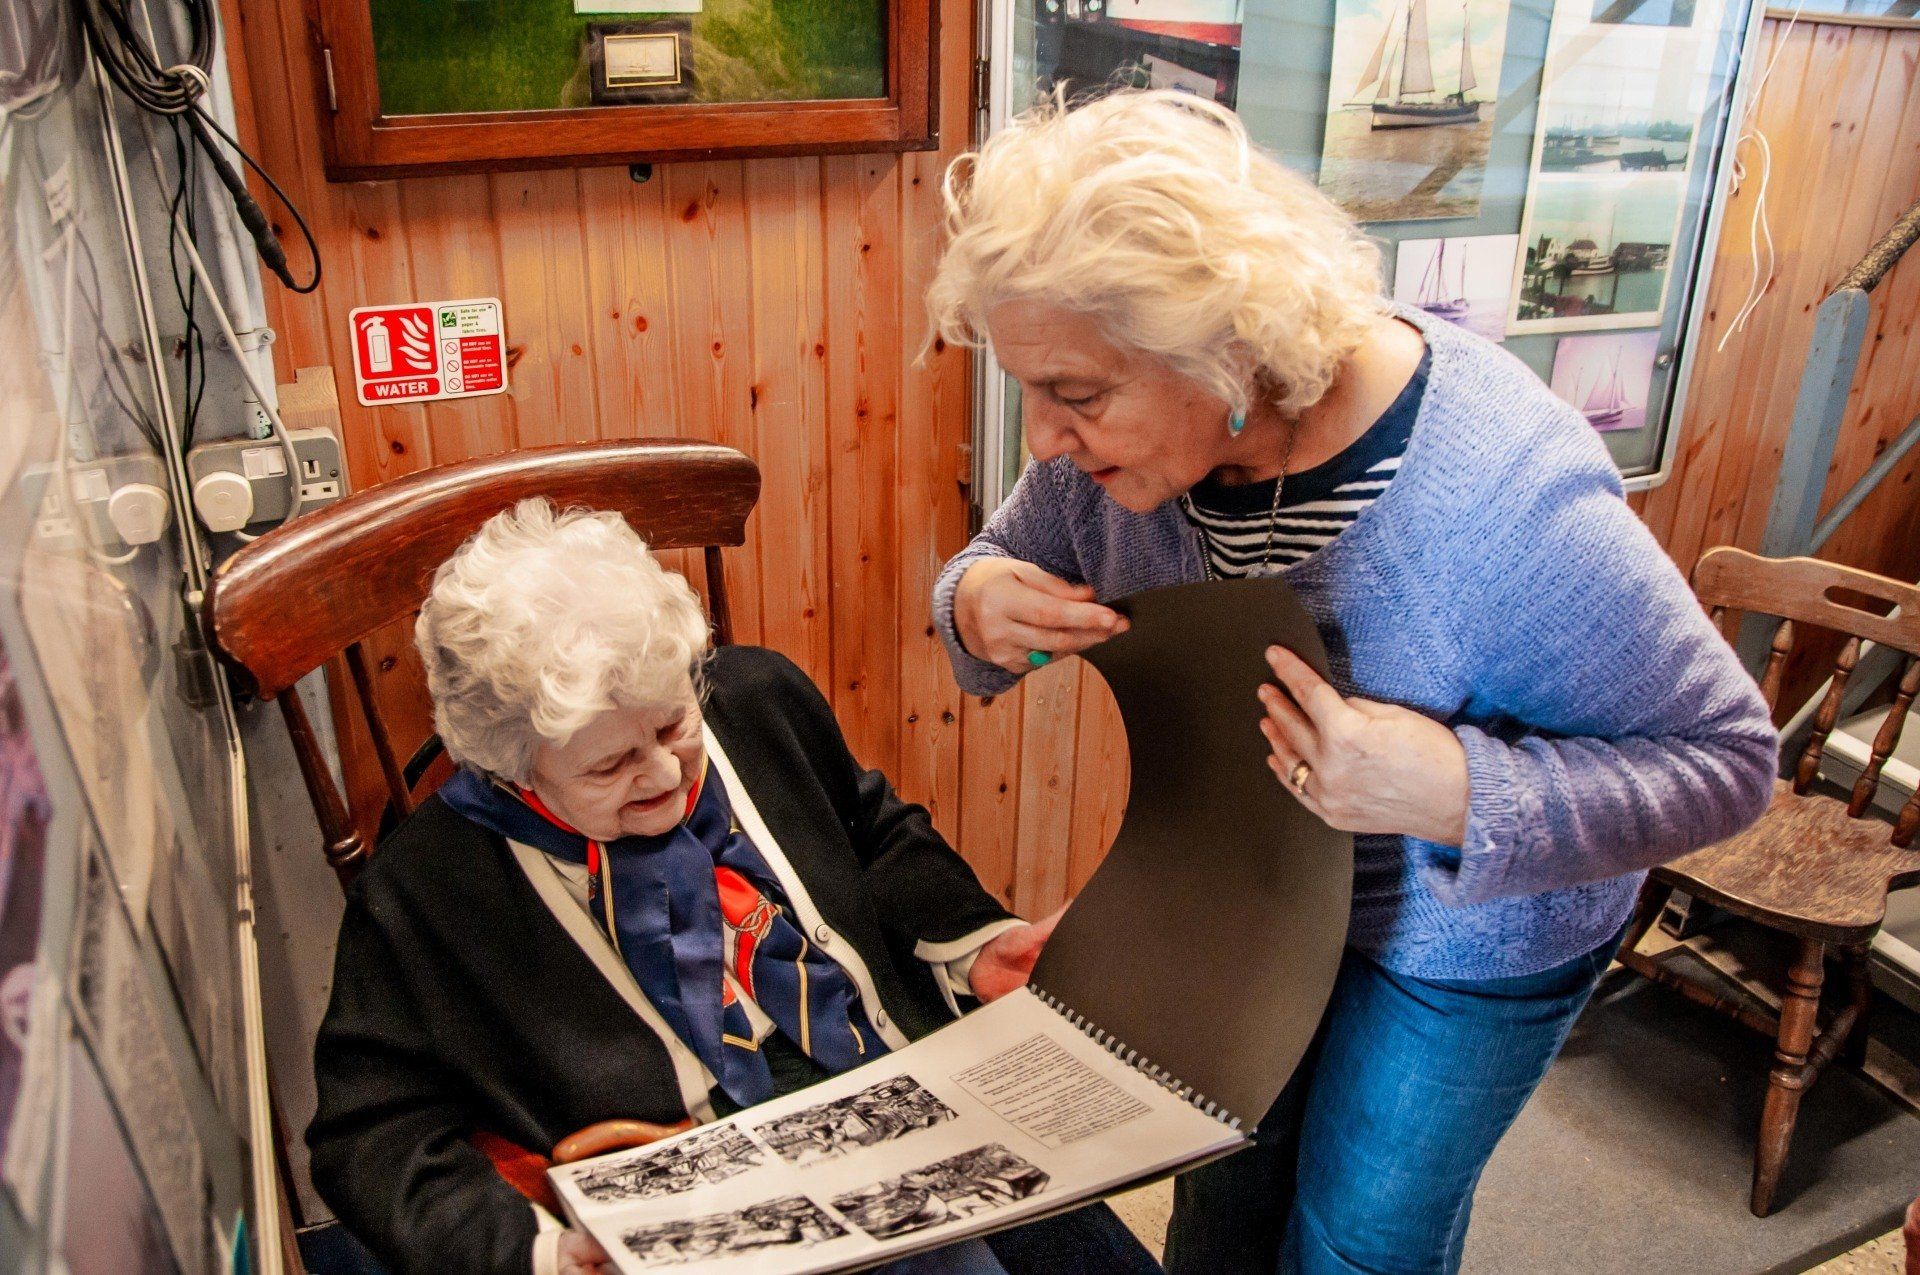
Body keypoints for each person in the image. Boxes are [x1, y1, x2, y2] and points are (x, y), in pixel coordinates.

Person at [925, 89, 1778, 1274]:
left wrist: (1460, 790)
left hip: (1459, 940)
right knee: (1221, 1210)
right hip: (1254, 904)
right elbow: (986, 571)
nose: (1042, 441)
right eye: (1030, 389)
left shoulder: (1502, 495)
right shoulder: (1104, 457)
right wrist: (975, 601)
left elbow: (1732, 765)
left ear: (1224, 350)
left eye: (1074, 396)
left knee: (1358, 1243)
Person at [306, 499, 1160, 1275]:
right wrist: (537, 1252)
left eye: (673, 722)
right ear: (511, 763)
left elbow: (877, 840)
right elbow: (371, 1133)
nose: (663, 772)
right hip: (702, 1206)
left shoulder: (756, 704)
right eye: (609, 763)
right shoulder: (430, 885)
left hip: (909, 1104)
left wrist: (976, 943)